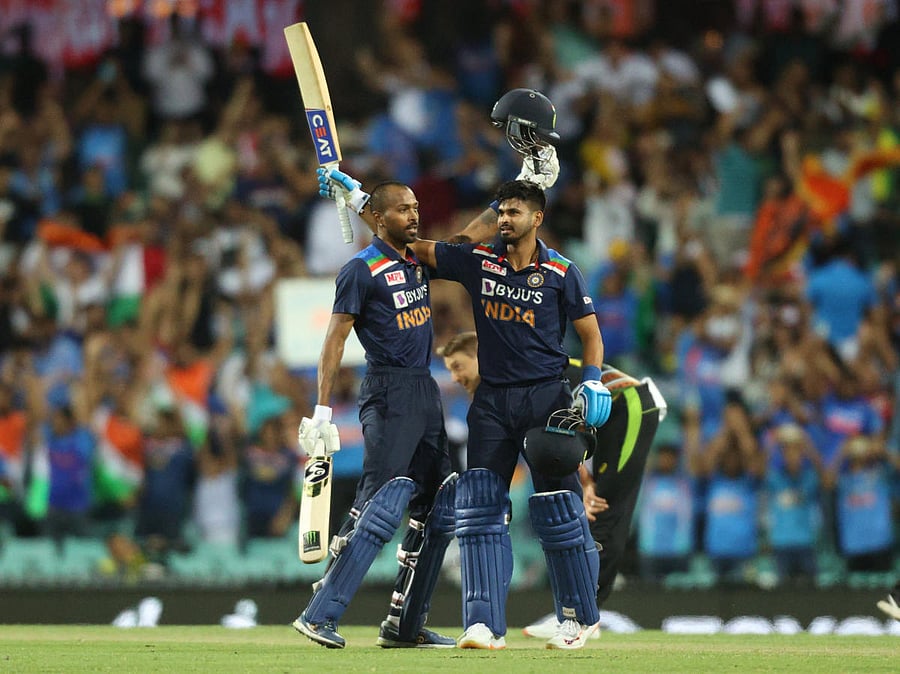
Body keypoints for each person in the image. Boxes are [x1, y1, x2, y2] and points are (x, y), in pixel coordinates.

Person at [292, 179, 500, 650]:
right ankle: (319, 613)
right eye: (404, 209)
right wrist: (322, 408)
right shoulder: (359, 271)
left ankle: (404, 626)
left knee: (441, 505)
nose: (414, 215)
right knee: (380, 501)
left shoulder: (415, 258)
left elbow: (466, 241)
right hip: (387, 390)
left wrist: (509, 199)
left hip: (424, 390)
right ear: (381, 217)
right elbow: (334, 341)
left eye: (416, 207)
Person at [436, 332, 668, 640]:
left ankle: (587, 618)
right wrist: (583, 481)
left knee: (604, 509)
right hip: (603, 420)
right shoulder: (507, 380)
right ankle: (578, 611)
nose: (454, 376)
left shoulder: (520, 371)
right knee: (593, 508)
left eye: (458, 365)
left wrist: (586, 484)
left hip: (630, 405)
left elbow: (563, 427)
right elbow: (559, 432)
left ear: (479, 355)